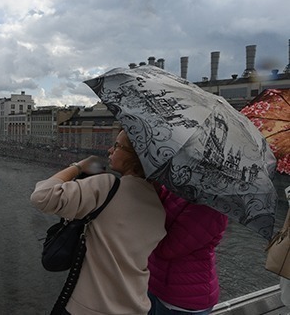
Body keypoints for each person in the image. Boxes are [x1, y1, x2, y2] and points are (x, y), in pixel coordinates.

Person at [30, 129, 167, 315]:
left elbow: (41, 196)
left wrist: (79, 166)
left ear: (135, 156)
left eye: (118, 146)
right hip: (137, 305)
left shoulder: (108, 185)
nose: (110, 150)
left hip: (90, 307)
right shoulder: (158, 206)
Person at [147, 184, 228, 315]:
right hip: (159, 285)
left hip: (182, 301)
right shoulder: (183, 187)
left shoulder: (211, 208)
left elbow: (168, 249)